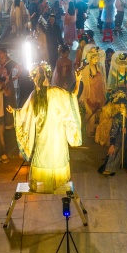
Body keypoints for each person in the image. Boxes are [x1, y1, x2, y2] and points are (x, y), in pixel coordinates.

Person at [10, 62, 82, 192]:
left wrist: (16, 113)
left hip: (44, 138)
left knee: (43, 158)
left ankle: (42, 185)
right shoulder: (55, 92)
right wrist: (77, 81)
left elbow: (25, 113)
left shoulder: (37, 94)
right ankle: (56, 184)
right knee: (55, 157)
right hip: (56, 136)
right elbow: (72, 98)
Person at [79, 46, 106, 139]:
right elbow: (86, 83)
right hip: (90, 94)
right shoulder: (87, 69)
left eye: (97, 58)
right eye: (95, 58)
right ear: (90, 58)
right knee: (89, 113)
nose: (96, 60)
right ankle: (87, 132)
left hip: (98, 93)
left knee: (96, 113)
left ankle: (93, 132)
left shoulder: (97, 68)